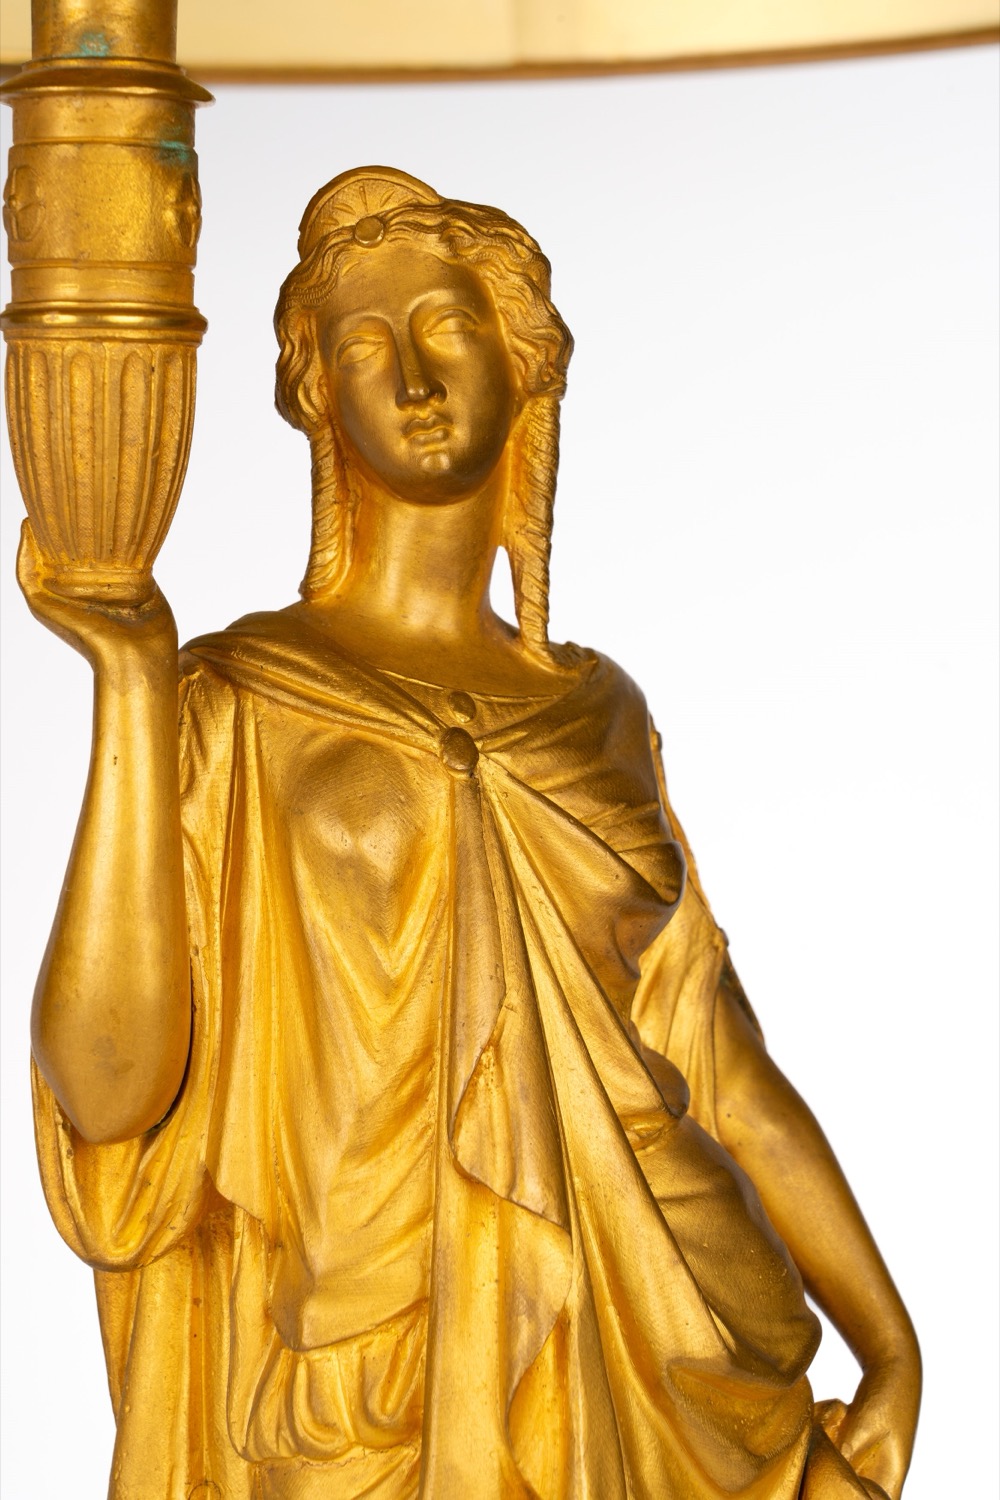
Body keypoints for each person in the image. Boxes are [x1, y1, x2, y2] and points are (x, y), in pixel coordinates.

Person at [18, 167, 919, 1500]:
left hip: (666, 1344)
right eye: (363, 346)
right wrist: (131, 682)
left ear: (522, 362)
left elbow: (719, 1066)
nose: (414, 377)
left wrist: (889, 1343)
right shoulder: (237, 703)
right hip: (359, 1359)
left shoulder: (600, 712)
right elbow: (107, 1095)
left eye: (446, 327)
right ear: (320, 397)